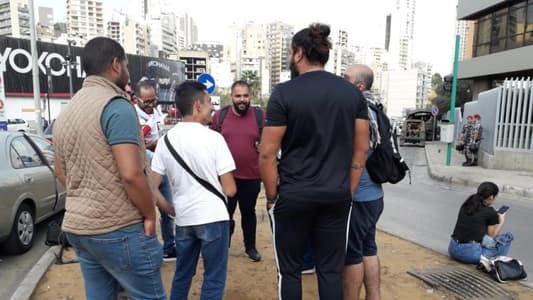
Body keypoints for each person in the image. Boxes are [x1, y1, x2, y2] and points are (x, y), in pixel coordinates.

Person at [259, 23, 369, 300]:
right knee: (330, 271)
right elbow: (361, 151)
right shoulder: (352, 94)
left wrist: (272, 195)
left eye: (289, 53)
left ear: (298, 53)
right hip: (336, 196)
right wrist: (350, 190)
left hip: (294, 195)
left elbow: (267, 154)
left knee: (290, 271)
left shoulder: (284, 93)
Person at [52, 37, 166, 299]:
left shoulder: (68, 111)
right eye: (125, 64)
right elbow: (131, 174)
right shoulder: (116, 106)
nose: (127, 70)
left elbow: (59, 170)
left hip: (80, 229)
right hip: (119, 228)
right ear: (116, 64)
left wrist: (85, 197)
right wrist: (149, 215)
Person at [150, 80, 237, 300]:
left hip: (184, 219)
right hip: (214, 217)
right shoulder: (215, 139)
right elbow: (230, 189)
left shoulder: (165, 141)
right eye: (209, 103)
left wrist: (170, 209)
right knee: (214, 278)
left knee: (182, 275)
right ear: (197, 106)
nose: (212, 108)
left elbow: (151, 187)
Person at [343, 64, 385, 300]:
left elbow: (358, 155)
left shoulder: (358, 111)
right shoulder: (376, 108)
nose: (341, 81)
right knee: (369, 247)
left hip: (358, 196)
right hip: (374, 196)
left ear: (360, 86)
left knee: (352, 254)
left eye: (346, 78)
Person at [210, 80, 264, 262]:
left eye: (245, 96)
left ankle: (251, 247)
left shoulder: (260, 116)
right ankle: (223, 247)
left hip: (252, 176)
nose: (242, 99)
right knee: (225, 214)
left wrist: (263, 147)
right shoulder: (220, 116)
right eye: (238, 96)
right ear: (231, 97)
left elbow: (269, 142)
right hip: (226, 177)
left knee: (249, 213)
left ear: (251, 96)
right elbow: (210, 144)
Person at [134, 80, 176, 260]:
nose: (151, 105)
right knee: (145, 211)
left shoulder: (157, 112)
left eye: (153, 100)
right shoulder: (132, 116)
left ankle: (169, 246)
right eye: (147, 102)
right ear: (137, 99)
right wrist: (153, 145)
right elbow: (133, 146)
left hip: (162, 167)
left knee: (167, 209)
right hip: (143, 169)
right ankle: (145, 252)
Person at [448, 182, 513, 264]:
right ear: (491, 197)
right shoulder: (490, 212)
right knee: (507, 237)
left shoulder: (468, 203)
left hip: (453, 249)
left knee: (483, 239)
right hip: (470, 255)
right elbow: (492, 235)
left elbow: (476, 222)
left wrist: (492, 217)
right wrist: (501, 220)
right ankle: (498, 263)